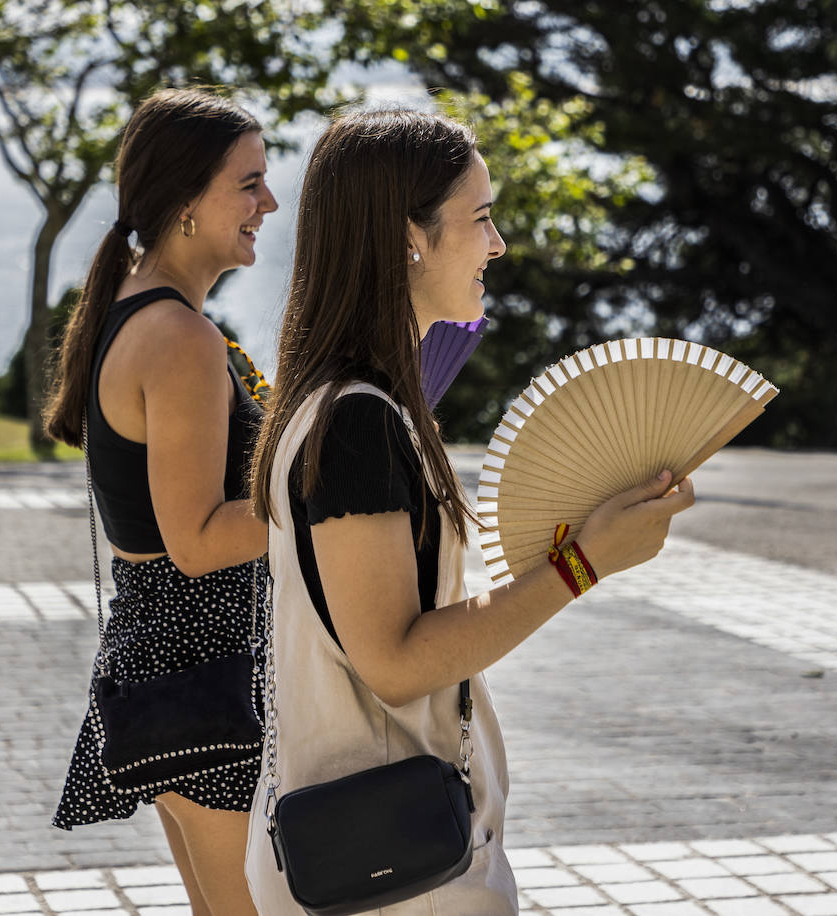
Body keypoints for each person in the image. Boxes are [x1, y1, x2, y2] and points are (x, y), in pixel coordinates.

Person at [242, 108, 695, 914]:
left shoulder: (339, 399)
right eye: (481, 219)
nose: (498, 246)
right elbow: (396, 662)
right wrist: (583, 564)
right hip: (395, 865)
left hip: (374, 844)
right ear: (407, 238)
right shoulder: (356, 419)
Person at [43, 87, 275, 916]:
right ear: (185, 199)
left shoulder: (141, 310)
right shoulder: (179, 337)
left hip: (175, 667)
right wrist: (312, 493)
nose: (268, 203)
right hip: (207, 673)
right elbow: (200, 542)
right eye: (248, 183)